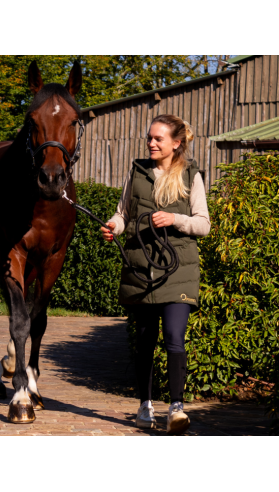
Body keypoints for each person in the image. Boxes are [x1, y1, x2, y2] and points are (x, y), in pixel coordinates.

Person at [101, 115, 211, 435]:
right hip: (141, 271)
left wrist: (174, 218)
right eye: (150, 137)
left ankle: (176, 408)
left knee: (174, 337)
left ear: (176, 143)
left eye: (158, 139)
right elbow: (123, 214)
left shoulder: (191, 175)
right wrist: (113, 227)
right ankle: (145, 404)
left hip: (179, 271)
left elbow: (203, 223)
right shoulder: (137, 172)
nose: (151, 143)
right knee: (145, 341)